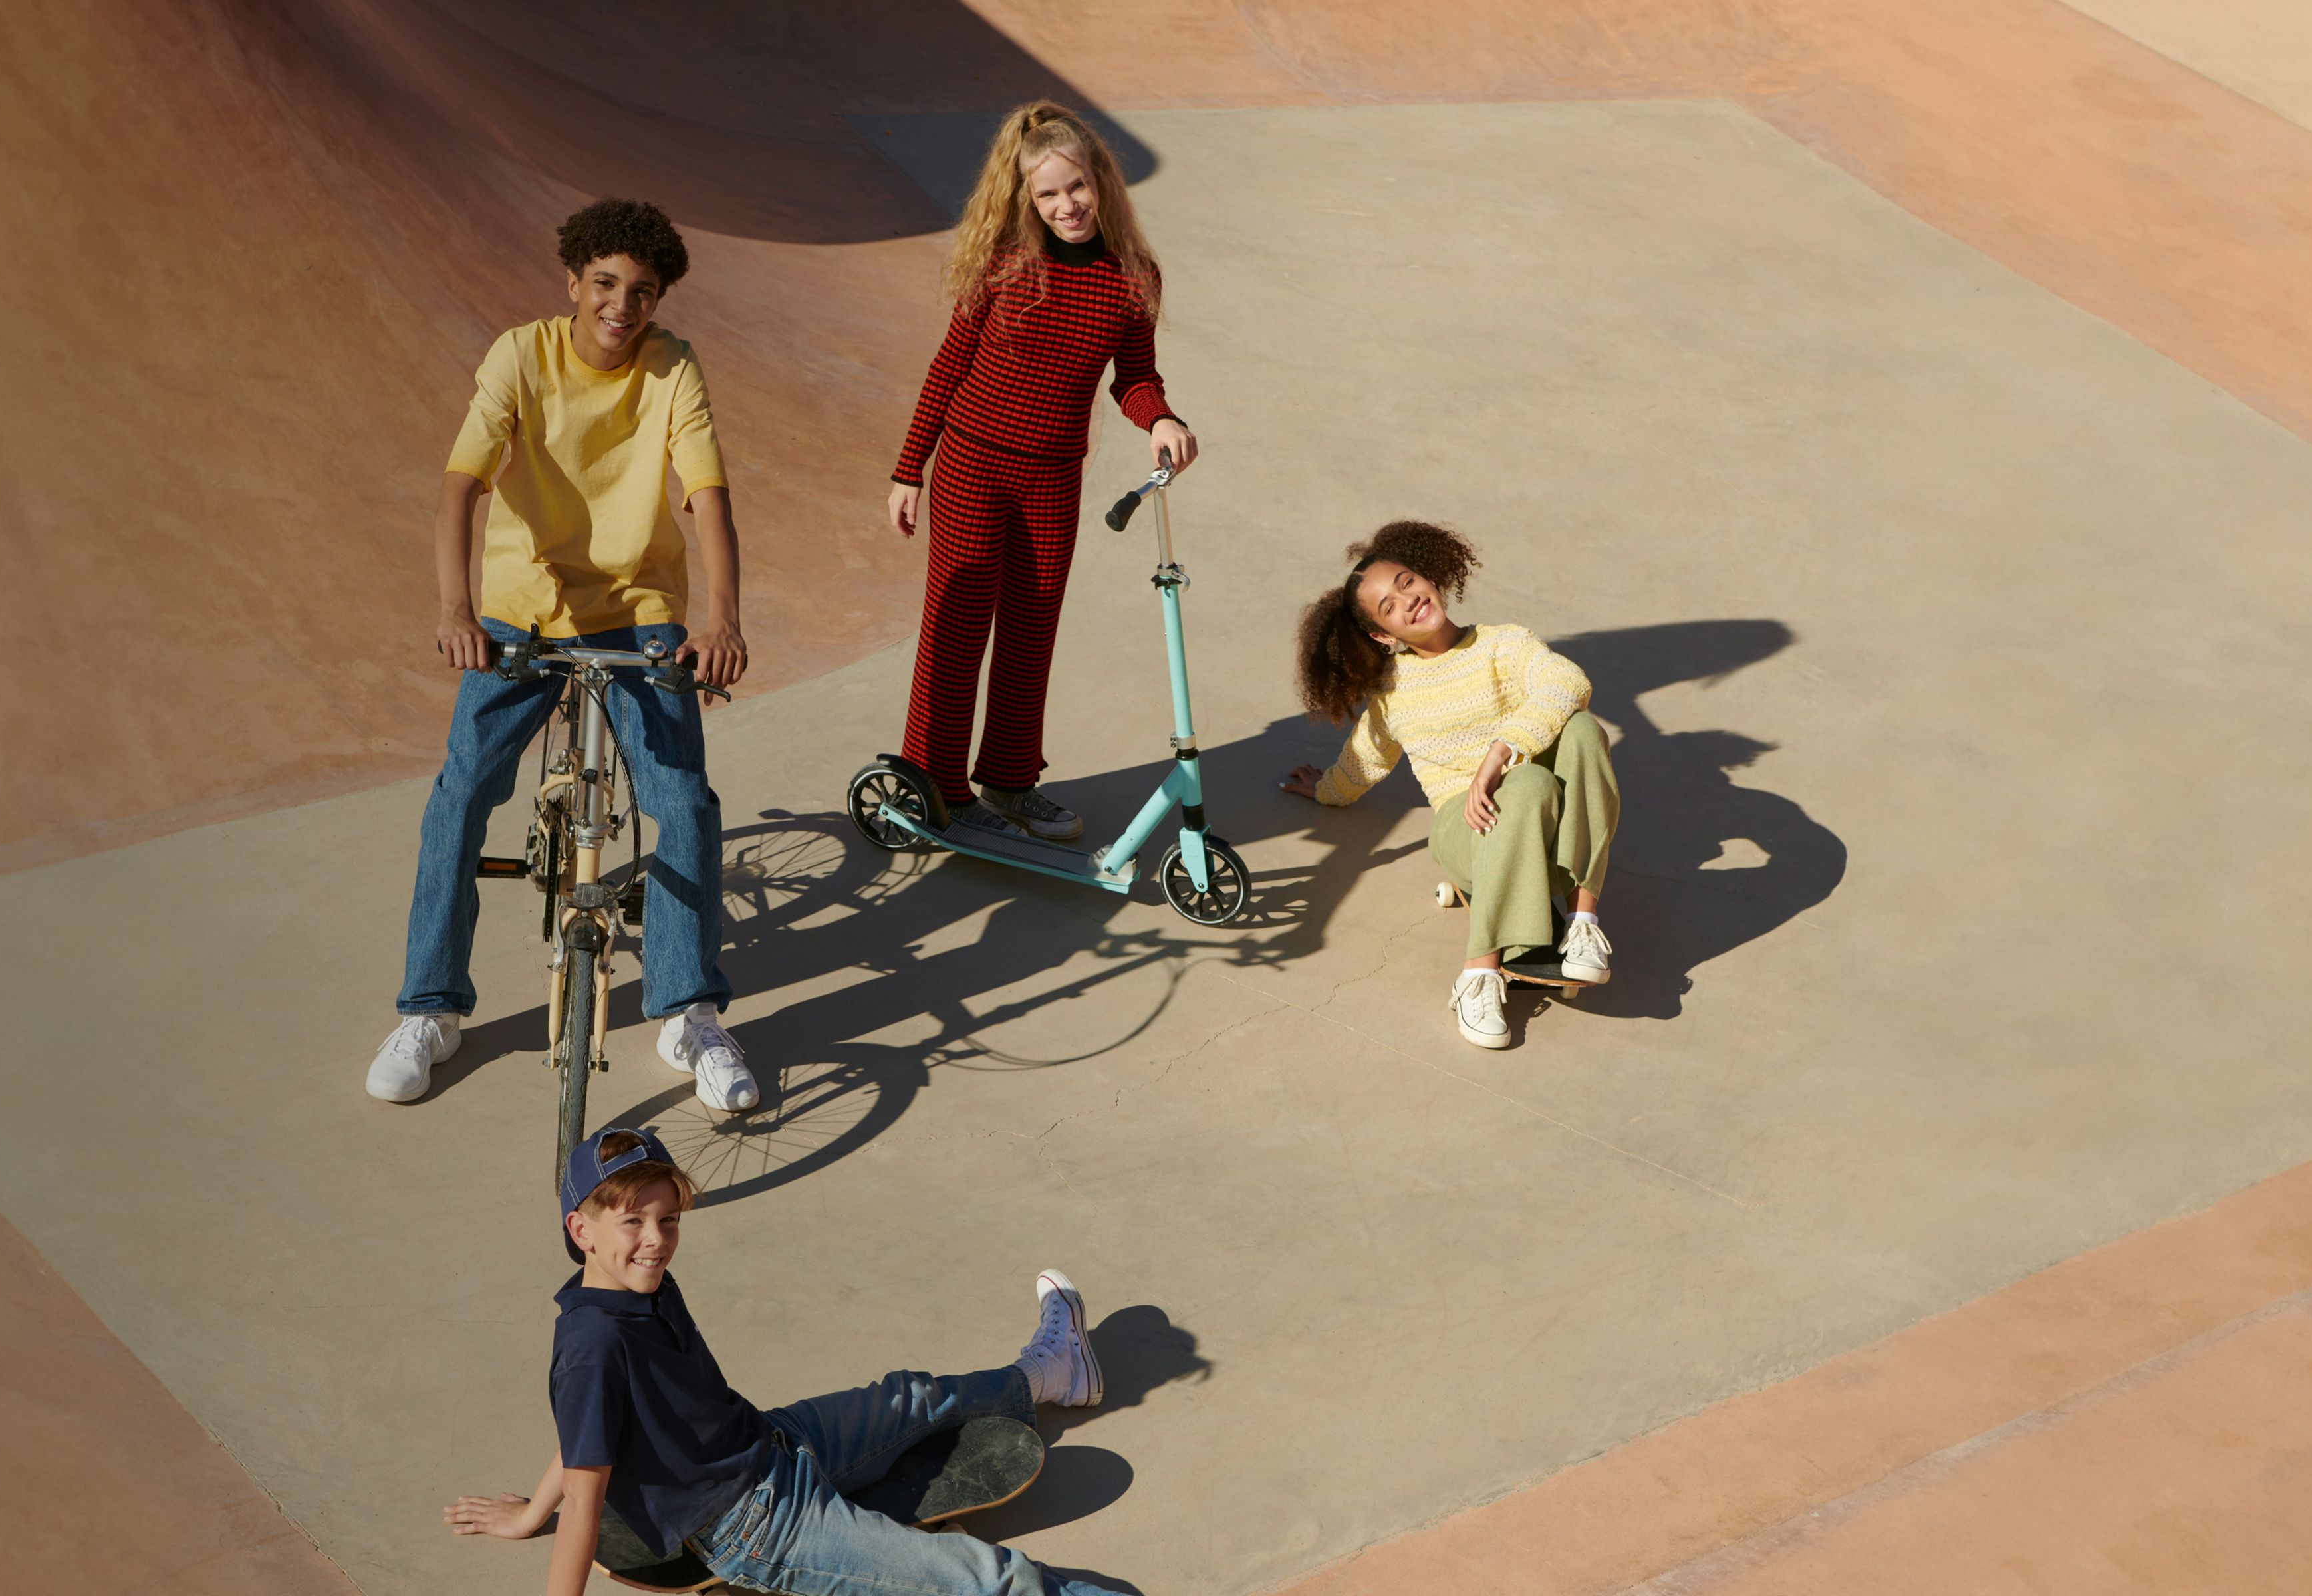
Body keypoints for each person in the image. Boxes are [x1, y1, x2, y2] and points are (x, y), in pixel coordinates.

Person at [365, 200, 755, 1113]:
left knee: (682, 799)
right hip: (516, 616)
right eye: (607, 284)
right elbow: (461, 486)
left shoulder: (672, 367)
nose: (623, 305)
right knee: (461, 793)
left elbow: (706, 498)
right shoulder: (520, 355)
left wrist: (724, 623)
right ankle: (432, 1008)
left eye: (643, 293)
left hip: (636, 612)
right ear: (573, 281)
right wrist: (457, 608)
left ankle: (689, 1011)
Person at [442, 1129, 1125, 1596]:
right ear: (580, 1230)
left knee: (911, 1396)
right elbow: (587, 1496)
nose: (656, 1242)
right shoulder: (591, 1349)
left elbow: (582, 1433)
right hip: (755, 1524)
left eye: (669, 1220)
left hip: (771, 1443)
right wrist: (550, 1521)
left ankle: (1050, 1372)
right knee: (984, 1577)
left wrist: (532, 1511)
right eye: (634, 1223)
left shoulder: (638, 1286)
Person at [885, 102, 1199, 846]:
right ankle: (935, 782)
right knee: (958, 624)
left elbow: (1135, 377)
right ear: (1025, 198)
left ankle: (1011, 781)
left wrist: (1160, 417)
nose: (1066, 206)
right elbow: (948, 368)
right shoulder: (1002, 266)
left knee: (1032, 629)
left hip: (1053, 477)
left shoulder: (1132, 278)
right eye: (1048, 194)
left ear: (1102, 183)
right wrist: (909, 470)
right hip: (971, 464)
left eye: (1077, 187)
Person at [1280, 522, 1621, 1050]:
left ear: (1429, 575)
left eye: (1407, 581)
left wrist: (1499, 751)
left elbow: (1568, 681)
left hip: (1555, 835)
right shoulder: (1392, 693)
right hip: (1468, 828)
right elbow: (1362, 763)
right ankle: (1477, 976)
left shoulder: (1505, 643)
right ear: (1382, 635)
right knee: (1527, 783)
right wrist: (1325, 789)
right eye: (1388, 607)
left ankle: (1581, 921)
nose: (1408, 600)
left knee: (1580, 728)